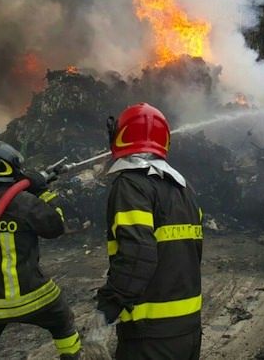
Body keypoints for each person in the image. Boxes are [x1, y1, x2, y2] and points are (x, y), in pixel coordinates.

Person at [97, 103, 203, 360]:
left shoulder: (131, 185)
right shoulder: (183, 188)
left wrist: (105, 313)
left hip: (150, 336)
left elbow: (137, 255)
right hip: (188, 330)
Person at [0, 141, 81, 359]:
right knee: (62, 321)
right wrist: (43, 191)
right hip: (30, 294)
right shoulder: (23, 202)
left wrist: (26, 188)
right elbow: (55, 226)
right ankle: (72, 356)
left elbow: (4, 206)